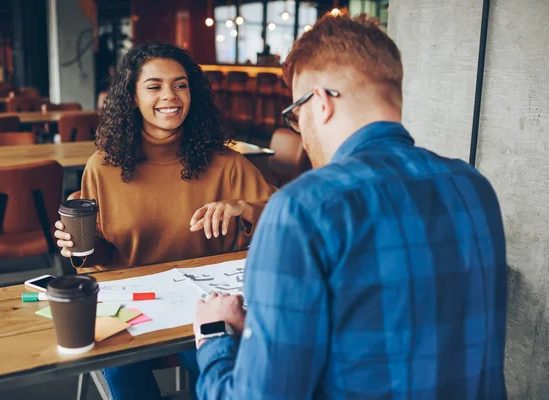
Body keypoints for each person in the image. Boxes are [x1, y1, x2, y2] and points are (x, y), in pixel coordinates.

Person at [193, 10, 507, 399]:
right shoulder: (474, 188)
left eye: (296, 115)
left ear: (321, 102)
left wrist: (214, 336)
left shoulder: (303, 209)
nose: (301, 130)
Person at [53, 42, 274, 399]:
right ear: (132, 96)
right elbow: (101, 256)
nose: (169, 95)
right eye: (154, 86)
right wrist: (79, 247)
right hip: (129, 305)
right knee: (126, 378)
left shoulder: (226, 163)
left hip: (201, 303)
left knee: (223, 370)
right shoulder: (102, 166)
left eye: (180, 84)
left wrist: (244, 209)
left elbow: (288, 218)